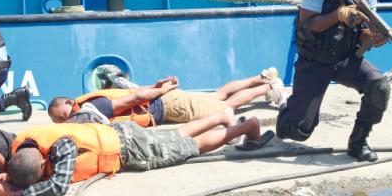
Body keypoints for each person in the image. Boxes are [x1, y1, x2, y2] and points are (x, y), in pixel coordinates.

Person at [0, 108, 270, 196]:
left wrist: (14, 193)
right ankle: (221, 116)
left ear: (44, 164)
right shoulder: (26, 143)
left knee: (189, 148)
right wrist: (9, 176)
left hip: (128, 148)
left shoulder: (62, 148)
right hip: (120, 133)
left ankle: (247, 127)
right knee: (174, 136)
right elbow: (22, 164)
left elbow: (58, 186)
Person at [276, 0, 390, 162]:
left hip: (345, 59)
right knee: (299, 131)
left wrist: (375, 38)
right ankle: (286, 113)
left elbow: (365, 34)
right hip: (315, 61)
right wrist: (338, 15)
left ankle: (358, 143)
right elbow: (307, 25)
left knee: (379, 87)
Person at [47, 65, 288, 125]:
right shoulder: (90, 104)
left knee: (226, 107)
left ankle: (270, 88)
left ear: (69, 102)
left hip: (169, 106)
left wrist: (161, 89)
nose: (64, 121)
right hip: (167, 101)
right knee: (219, 95)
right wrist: (157, 86)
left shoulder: (93, 108)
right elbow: (133, 93)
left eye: (62, 116)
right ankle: (262, 77)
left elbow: (133, 99)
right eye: (60, 121)